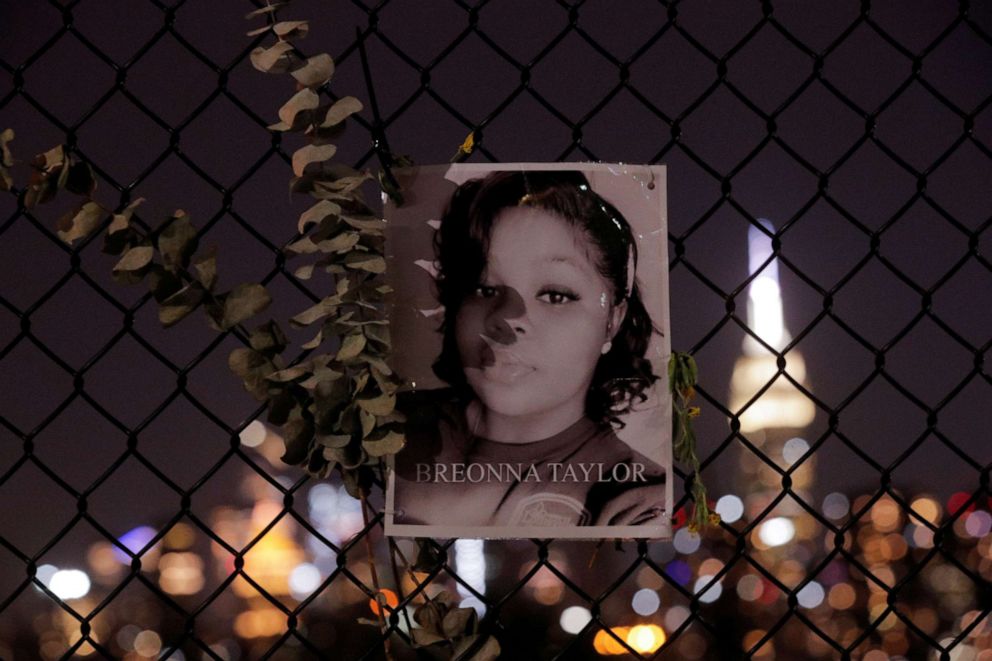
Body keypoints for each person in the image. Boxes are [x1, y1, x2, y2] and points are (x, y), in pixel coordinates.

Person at [392, 170, 666, 530]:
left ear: (612, 320)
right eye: (484, 288)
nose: (507, 318)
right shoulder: (386, 428)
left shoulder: (634, 497)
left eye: (555, 295)